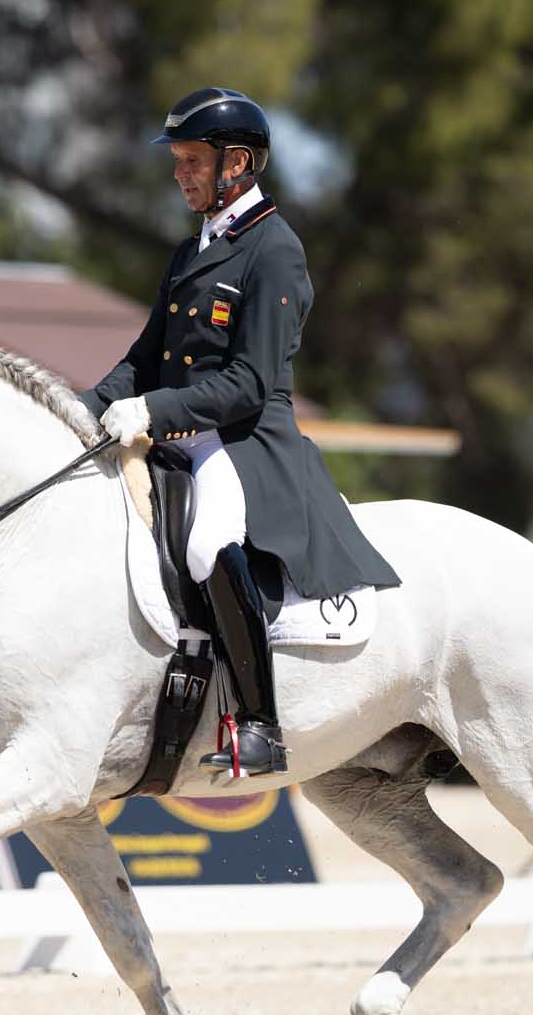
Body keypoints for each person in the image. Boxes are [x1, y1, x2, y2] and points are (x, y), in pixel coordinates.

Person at [81, 87, 400, 778]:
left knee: (205, 543)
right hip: (178, 436)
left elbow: (251, 384)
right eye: (179, 159)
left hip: (245, 442)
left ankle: (259, 722)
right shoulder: (191, 250)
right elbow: (141, 359)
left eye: (193, 159)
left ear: (239, 165)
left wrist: (154, 412)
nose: (179, 172)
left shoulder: (274, 250)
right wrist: (77, 409)